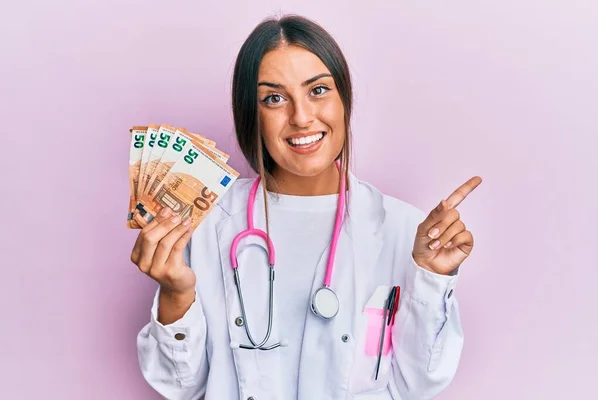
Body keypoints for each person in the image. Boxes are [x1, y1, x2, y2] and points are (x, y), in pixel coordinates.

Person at [130, 14, 482, 400]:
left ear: (344, 99)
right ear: (253, 115)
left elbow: (419, 384)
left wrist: (429, 280)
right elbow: (181, 386)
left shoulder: (404, 231)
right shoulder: (203, 225)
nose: (300, 117)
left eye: (318, 91)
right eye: (274, 98)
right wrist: (176, 295)